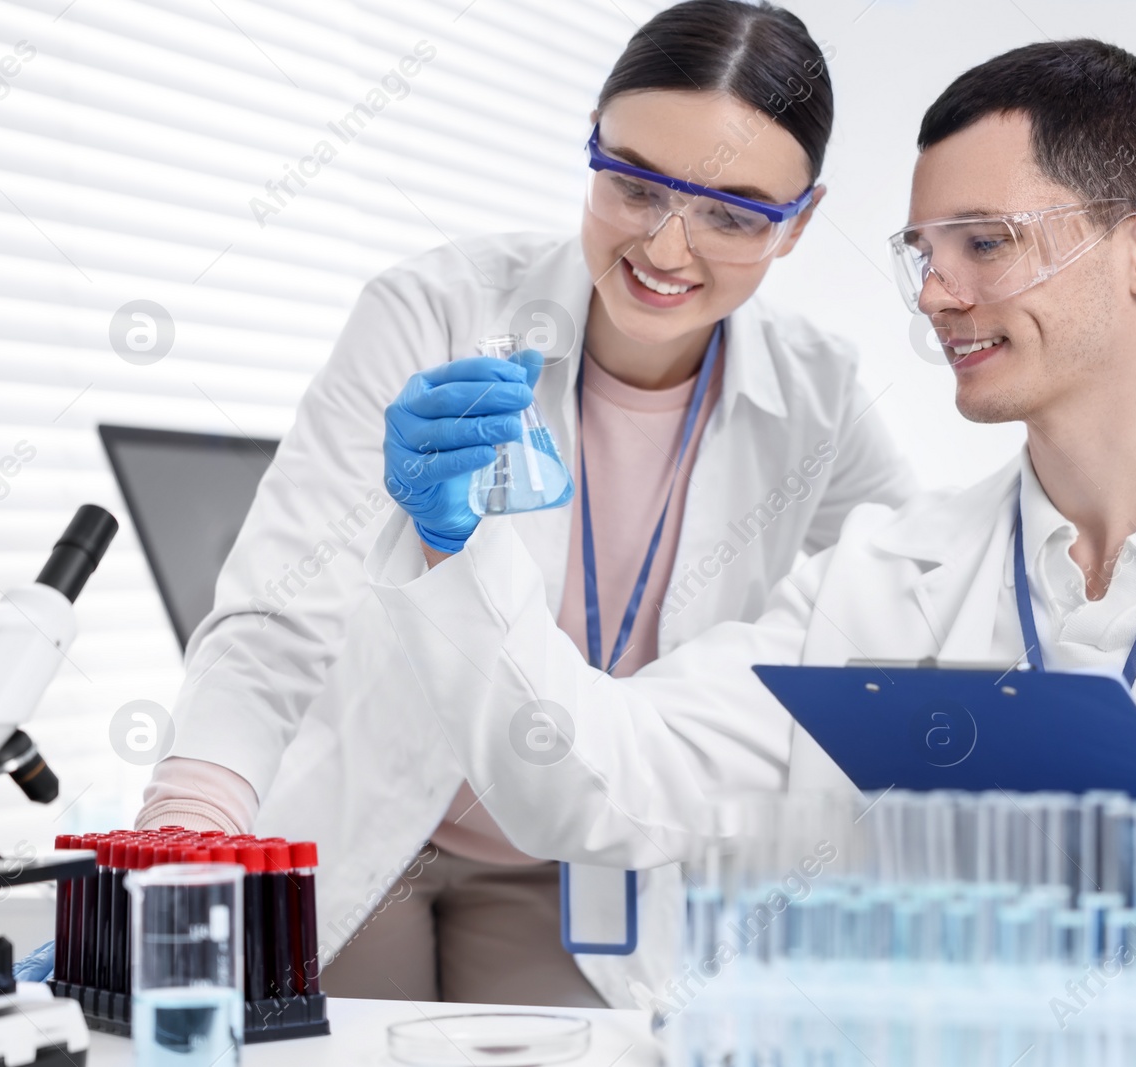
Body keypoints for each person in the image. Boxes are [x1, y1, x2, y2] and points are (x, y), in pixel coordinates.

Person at [352, 37, 1136, 1064]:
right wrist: (456, 547)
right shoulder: (883, 577)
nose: (935, 294)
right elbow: (588, 781)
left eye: (984, 243)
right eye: (924, 249)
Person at [135, 0, 915, 1008]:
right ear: (590, 151)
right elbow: (282, 606)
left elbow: (913, 604)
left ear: (799, 220)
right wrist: (191, 809)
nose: (667, 249)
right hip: (376, 816)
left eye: (731, 213)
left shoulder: (818, 396)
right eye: (634, 185)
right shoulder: (436, 311)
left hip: (583, 860)